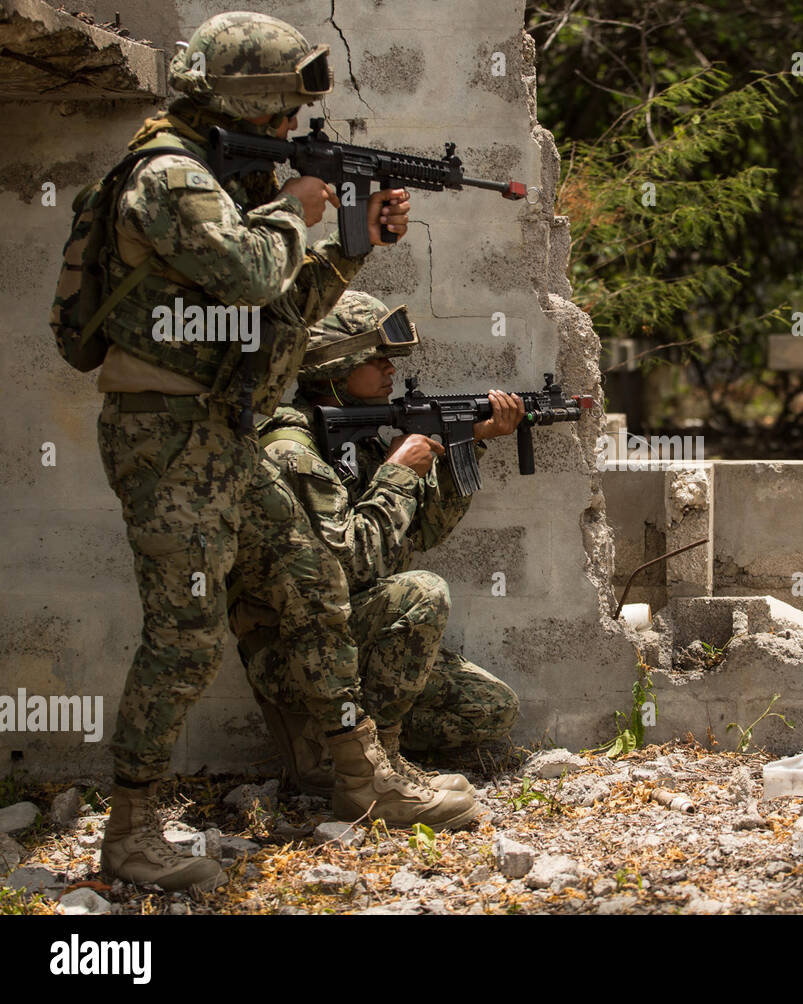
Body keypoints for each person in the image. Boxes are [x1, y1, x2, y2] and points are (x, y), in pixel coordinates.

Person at [92, 11, 455, 893]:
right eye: (284, 114)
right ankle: (129, 834)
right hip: (167, 442)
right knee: (183, 636)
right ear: (246, 101)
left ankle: (365, 780)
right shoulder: (170, 178)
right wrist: (297, 209)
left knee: (311, 583)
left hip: (223, 433)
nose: (292, 133)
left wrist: (354, 244)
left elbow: (271, 312)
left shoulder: (215, 177)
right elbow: (255, 273)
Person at [229, 291, 521, 801]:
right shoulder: (291, 455)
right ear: (336, 368)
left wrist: (466, 443)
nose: (389, 369)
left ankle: (361, 753)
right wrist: (395, 474)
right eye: (375, 359)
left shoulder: (354, 440)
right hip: (297, 654)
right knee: (423, 593)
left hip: (350, 639)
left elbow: (423, 533)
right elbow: (350, 565)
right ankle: (362, 770)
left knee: (490, 707)